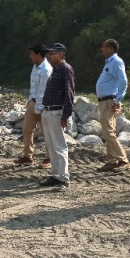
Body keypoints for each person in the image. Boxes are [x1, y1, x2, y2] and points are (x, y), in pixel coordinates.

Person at [39, 43, 75, 191]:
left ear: (61, 54)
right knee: (51, 145)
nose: (49, 56)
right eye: (48, 53)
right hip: (48, 111)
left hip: (56, 111)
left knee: (59, 146)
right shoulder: (55, 70)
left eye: (52, 53)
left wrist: (65, 116)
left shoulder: (66, 69)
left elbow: (69, 93)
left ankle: (64, 178)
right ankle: (55, 175)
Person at [95, 39, 130, 173]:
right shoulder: (109, 62)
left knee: (108, 132)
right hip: (104, 101)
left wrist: (117, 100)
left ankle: (123, 160)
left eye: (104, 47)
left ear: (111, 49)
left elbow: (123, 81)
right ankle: (112, 161)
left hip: (109, 101)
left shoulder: (116, 62)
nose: (102, 49)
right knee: (107, 131)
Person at [14, 43, 52, 168]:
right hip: (33, 102)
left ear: (38, 55)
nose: (30, 56)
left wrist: (39, 108)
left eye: (32, 54)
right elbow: (34, 87)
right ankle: (27, 156)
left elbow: (43, 91)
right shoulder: (35, 67)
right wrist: (31, 101)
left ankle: (49, 158)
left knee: (46, 132)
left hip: (43, 105)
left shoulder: (46, 70)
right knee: (27, 129)